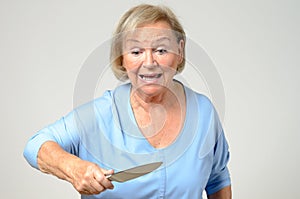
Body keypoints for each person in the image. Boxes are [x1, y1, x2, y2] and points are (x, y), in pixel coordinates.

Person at [24, 4, 231, 199]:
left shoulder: (204, 112)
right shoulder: (100, 114)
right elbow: (35, 146)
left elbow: (217, 179)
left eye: (161, 50)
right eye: (136, 52)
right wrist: (73, 168)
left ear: (179, 51)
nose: (149, 63)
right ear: (121, 58)